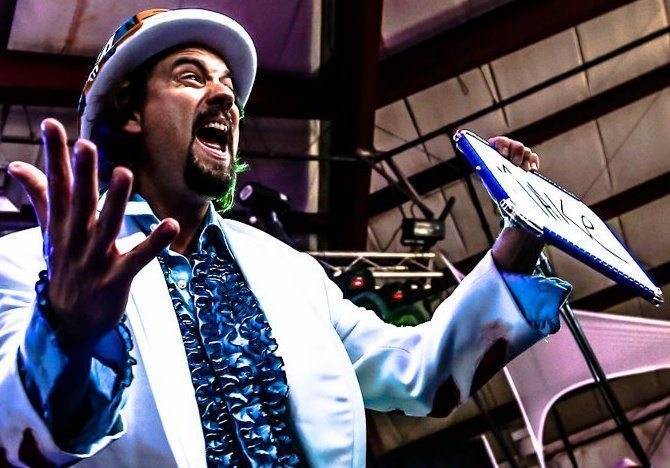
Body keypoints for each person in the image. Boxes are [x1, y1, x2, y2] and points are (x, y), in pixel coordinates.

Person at [0, 8, 571, 467]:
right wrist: (65, 331)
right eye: (192, 77)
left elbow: (423, 372)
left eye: (229, 87)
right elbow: (15, 437)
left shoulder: (291, 273)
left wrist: (520, 238)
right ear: (131, 114)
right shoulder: (24, 265)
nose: (226, 98)